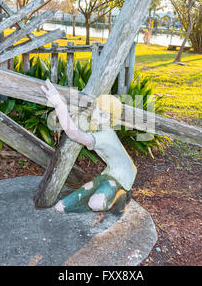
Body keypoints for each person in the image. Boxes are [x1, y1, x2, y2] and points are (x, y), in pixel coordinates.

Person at [41, 79, 137, 214]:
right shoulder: (97, 127)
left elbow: (75, 134)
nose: (97, 115)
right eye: (97, 110)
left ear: (111, 120)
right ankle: (99, 194)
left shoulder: (106, 135)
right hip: (109, 174)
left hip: (122, 178)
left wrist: (59, 105)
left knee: (95, 203)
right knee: (60, 207)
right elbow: (78, 125)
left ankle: (120, 196)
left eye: (103, 114)